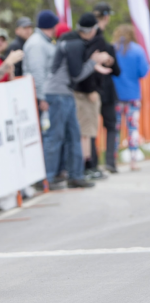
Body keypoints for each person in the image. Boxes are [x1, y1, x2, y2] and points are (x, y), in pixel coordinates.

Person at [42, 13, 112, 189]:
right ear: (92, 30)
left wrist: (92, 64)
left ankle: (75, 175)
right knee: (57, 135)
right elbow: (76, 74)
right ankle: (48, 178)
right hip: (59, 93)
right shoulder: (75, 44)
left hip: (64, 92)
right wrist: (93, 62)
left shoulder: (72, 41)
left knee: (74, 134)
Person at [68, 11, 118, 180]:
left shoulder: (89, 42)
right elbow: (82, 71)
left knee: (89, 131)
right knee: (85, 131)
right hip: (84, 93)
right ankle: (85, 167)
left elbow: (112, 69)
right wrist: (90, 89)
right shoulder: (80, 43)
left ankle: (91, 165)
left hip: (92, 91)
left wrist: (106, 62)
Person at [112, 24, 149, 171]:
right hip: (133, 95)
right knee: (132, 128)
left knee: (115, 128)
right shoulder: (138, 50)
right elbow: (144, 71)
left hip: (116, 95)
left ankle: (112, 159)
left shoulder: (113, 48)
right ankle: (133, 161)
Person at [93, 2, 121, 174]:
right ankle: (109, 160)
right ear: (106, 17)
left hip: (92, 89)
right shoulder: (106, 44)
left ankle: (94, 163)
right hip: (104, 90)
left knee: (91, 128)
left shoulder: (87, 41)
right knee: (110, 126)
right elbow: (116, 71)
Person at [23, 10, 59, 112]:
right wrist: (42, 97)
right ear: (51, 26)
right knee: (45, 127)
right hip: (40, 98)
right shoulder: (37, 44)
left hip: (47, 93)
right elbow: (37, 72)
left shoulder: (44, 41)